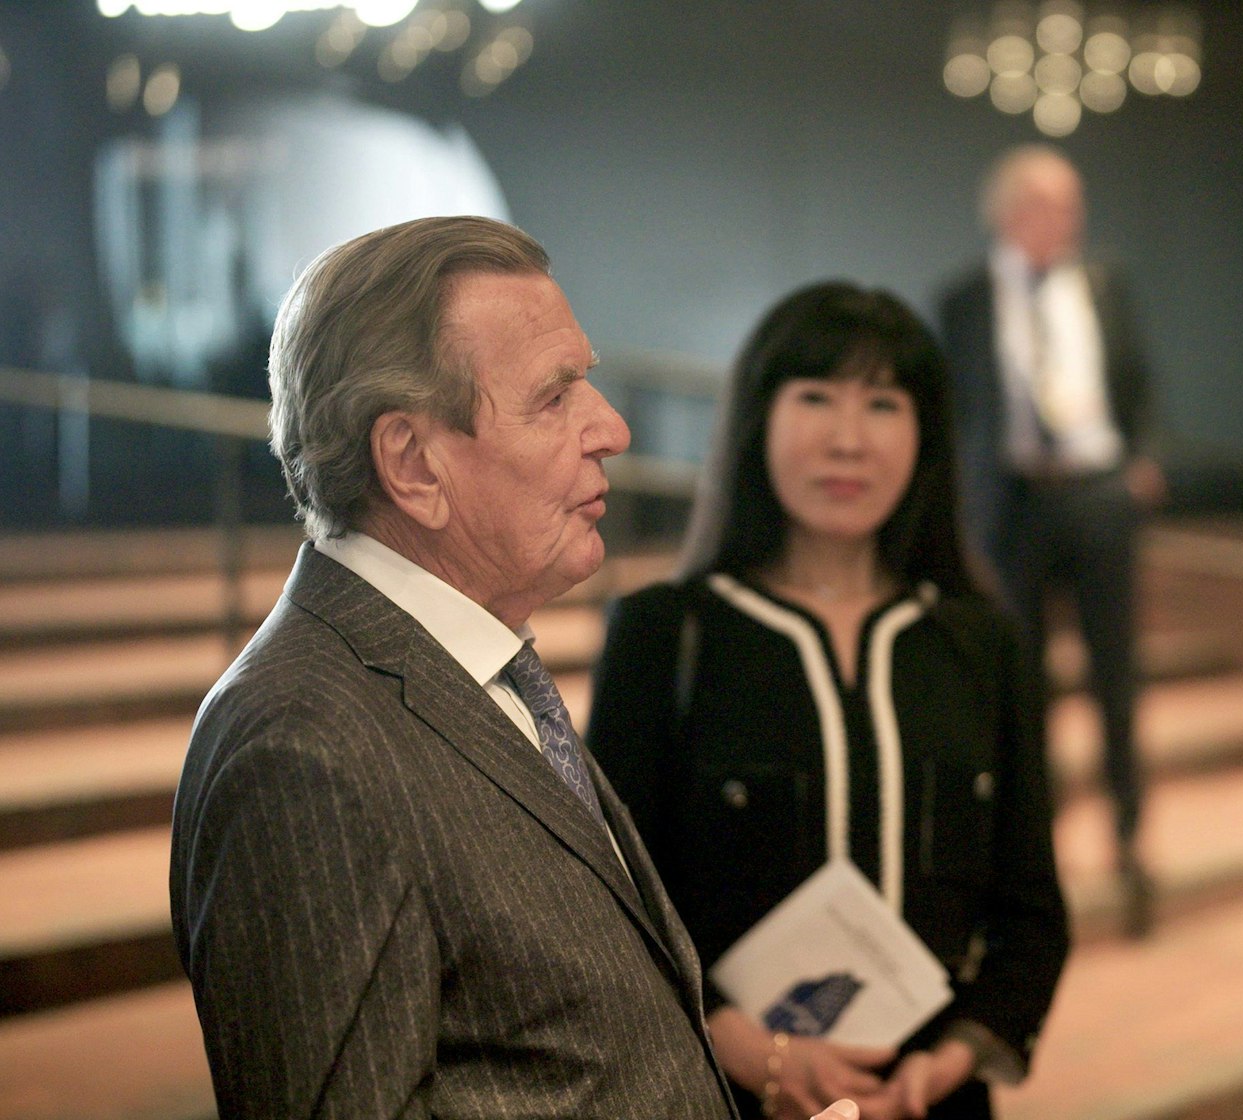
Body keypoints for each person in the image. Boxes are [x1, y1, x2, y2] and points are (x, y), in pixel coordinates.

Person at [169, 215, 857, 1120]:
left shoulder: (474, 662)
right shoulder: (305, 747)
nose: (609, 428)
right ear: (413, 463)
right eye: (554, 396)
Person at [588, 281, 1069, 1120]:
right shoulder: (666, 635)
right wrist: (743, 1047)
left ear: (925, 436)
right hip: (723, 1095)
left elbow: (1031, 915)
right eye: (814, 398)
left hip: (926, 1104)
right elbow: (611, 907)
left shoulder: (980, 644)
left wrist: (953, 1058)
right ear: (755, 421)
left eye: (882, 404)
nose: (848, 440)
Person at [936, 144, 1161, 934]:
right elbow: (953, 411)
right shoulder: (963, 299)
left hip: (1098, 499)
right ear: (1006, 212)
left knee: (1116, 679)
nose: (1068, 220)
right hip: (1014, 511)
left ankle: (1131, 842)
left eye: (1073, 204)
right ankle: (1032, 850)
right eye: (1050, 205)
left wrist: (1139, 460)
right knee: (1019, 686)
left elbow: (1135, 378)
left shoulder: (1104, 282)